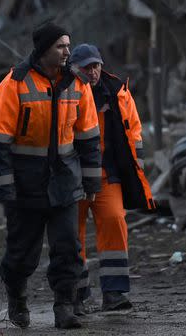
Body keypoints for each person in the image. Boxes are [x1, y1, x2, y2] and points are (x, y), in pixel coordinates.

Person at [0, 22, 101, 329]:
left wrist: (91, 181)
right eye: (61, 46)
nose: (67, 51)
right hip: (25, 185)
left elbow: (89, 137)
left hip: (64, 180)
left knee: (68, 247)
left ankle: (64, 306)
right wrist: (3, 190)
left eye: (68, 45)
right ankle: (17, 295)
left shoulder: (78, 85)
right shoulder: (14, 84)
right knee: (22, 253)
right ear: (44, 49)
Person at [68, 43, 156, 314]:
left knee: (115, 223)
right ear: (74, 69)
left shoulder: (117, 91)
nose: (93, 72)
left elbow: (135, 130)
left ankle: (114, 293)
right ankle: (77, 296)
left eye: (96, 66)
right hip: (74, 178)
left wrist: (135, 168)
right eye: (87, 67)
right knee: (72, 236)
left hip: (108, 176)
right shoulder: (64, 93)